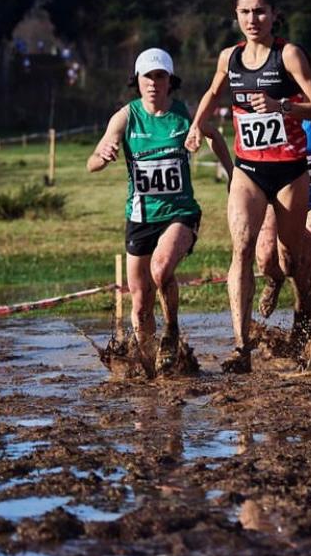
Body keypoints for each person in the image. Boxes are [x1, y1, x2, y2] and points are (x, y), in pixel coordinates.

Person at [186, 0, 311, 372]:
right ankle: (241, 346)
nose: (253, 19)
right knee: (243, 248)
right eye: (245, 12)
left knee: (289, 256)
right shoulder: (228, 58)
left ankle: (305, 307)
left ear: (274, 15)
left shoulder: (290, 55)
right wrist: (198, 125)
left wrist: (282, 105)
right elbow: (213, 94)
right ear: (236, 15)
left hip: (289, 171)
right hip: (248, 169)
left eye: (260, 11)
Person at [87, 47, 233, 373]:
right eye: (147, 77)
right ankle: (152, 366)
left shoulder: (184, 114)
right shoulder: (125, 117)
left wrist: (231, 175)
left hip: (180, 213)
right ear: (137, 81)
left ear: (170, 81)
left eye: (160, 76)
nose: (153, 83)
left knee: (161, 268)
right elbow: (92, 163)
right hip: (140, 217)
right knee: (139, 304)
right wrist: (105, 153)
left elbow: (214, 136)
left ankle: (172, 330)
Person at [255, 102, 311, 323]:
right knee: (266, 257)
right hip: (279, 199)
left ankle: (303, 341)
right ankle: (275, 280)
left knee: (306, 278)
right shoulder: (270, 106)